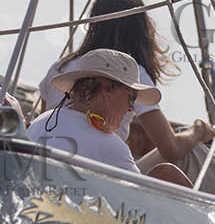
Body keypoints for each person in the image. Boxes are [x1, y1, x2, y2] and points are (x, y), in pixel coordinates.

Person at [38, 0, 212, 163]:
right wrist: (199, 130)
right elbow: (171, 149)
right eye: (132, 98)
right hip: (102, 167)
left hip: (52, 163)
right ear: (140, 31)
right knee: (190, 154)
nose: (130, 107)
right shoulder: (131, 74)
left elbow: (46, 116)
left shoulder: (60, 67)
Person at [28, 49, 161, 174]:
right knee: (168, 173)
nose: (131, 108)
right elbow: (138, 197)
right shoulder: (112, 147)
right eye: (132, 98)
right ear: (106, 89)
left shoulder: (42, 121)